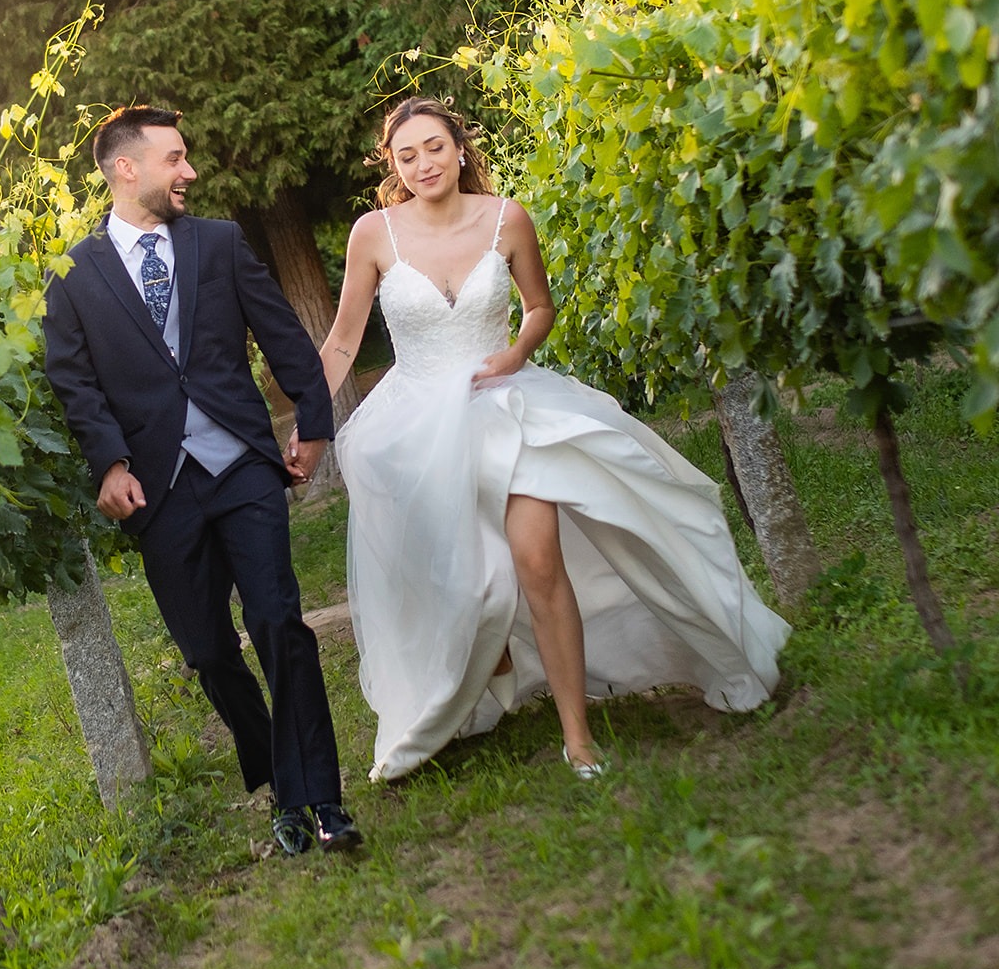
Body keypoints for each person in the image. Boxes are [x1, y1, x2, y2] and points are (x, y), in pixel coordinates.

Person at [309, 95, 790, 783]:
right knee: (473, 585)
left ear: (460, 148)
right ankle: (493, 661)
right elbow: (341, 342)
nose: (424, 165)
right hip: (415, 427)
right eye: (407, 156)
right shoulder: (373, 233)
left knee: (537, 561)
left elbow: (539, 307)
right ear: (393, 165)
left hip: (507, 407)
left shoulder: (506, 217)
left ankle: (578, 735)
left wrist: (514, 354)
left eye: (435, 148)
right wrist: (309, 425)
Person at [44, 105, 361, 858]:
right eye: (175, 159)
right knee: (209, 651)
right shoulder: (73, 275)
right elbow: (74, 382)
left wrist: (313, 423)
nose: (189, 171)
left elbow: (281, 331)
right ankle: (276, 774)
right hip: (157, 488)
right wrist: (109, 462)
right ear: (127, 169)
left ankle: (320, 798)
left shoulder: (219, 243)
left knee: (279, 622)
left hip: (241, 464)